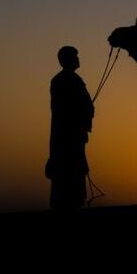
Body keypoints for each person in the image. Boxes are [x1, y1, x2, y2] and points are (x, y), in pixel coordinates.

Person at [45, 45, 95, 211]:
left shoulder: (61, 80)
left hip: (65, 137)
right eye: (76, 57)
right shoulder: (70, 81)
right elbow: (72, 109)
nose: (78, 59)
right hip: (69, 138)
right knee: (71, 178)